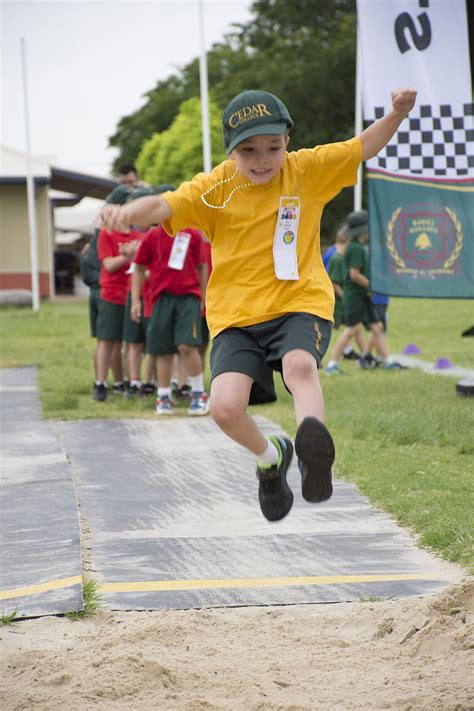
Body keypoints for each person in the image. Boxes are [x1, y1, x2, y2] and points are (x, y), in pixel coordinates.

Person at [102, 87, 417, 521]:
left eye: (273, 146)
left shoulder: (306, 170)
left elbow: (361, 147)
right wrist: (128, 213)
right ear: (232, 151)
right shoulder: (215, 188)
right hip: (237, 314)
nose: (263, 159)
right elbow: (163, 204)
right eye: (249, 150)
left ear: (287, 139)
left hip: (298, 300)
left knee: (300, 367)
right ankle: (273, 458)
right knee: (224, 407)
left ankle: (313, 449)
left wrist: (397, 114)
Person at [131, 217, 209, 416]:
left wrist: (204, 297)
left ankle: (199, 393)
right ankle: (164, 395)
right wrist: (136, 300)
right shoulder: (152, 236)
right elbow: (138, 268)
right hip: (161, 298)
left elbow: (202, 267)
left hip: (188, 297)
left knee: (187, 345)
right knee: (163, 350)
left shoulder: (191, 234)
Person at [325, 210, 402, 373]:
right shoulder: (355, 249)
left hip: (364, 295)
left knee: (377, 326)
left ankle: (387, 360)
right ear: (361, 232)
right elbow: (354, 274)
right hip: (355, 296)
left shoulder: (360, 247)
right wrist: (371, 286)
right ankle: (332, 364)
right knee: (351, 330)